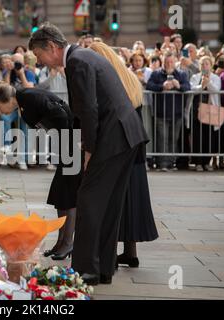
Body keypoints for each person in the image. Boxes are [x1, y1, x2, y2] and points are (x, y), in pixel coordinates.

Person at [29, 22, 148, 285]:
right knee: (108, 204)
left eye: (39, 55)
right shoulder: (84, 56)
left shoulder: (77, 61)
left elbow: (89, 110)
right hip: (126, 135)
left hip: (113, 138)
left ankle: (86, 270)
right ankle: (103, 268)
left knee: (88, 200)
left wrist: (89, 150)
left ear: (51, 47)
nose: (42, 62)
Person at [0, 83, 82, 260]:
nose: (0, 112)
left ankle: (68, 243)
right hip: (66, 144)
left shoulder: (28, 98)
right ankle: (61, 242)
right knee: (60, 194)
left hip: (71, 144)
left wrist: (63, 141)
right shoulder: (23, 100)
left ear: (7, 99)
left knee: (68, 194)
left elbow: (61, 115)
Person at [89, 42, 158, 269]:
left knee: (116, 200)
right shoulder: (129, 77)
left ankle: (110, 255)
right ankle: (130, 252)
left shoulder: (110, 80)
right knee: (134, 198)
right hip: (136, 145)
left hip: (119, 147)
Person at [146, 52, 191, 171]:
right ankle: (162, 164)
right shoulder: (156, 73)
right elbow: (149, 86)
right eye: (166, 61)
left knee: (173, 139)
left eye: (171, 61)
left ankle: (171, 163)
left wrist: (179, 86)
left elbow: (187, 87)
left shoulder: (181, 74)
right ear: (163, 61)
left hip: (177, 113)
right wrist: (162, 86)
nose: (169, 64)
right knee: (162, 139)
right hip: (161, 112)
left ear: (175, 62)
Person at [189, 56, 222, 172]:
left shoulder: (216, 78)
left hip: (211, 111)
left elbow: (217, 90)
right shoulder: (195, 77)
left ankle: (207, 162)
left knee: (209, 137)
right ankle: (198, 162)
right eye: (202, 64)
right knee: (198, 137)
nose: (204, 66)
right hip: (197, 111)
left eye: (207, 64)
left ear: (211, 65)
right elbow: (192, 89)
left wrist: (208, 83)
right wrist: (201, 86)